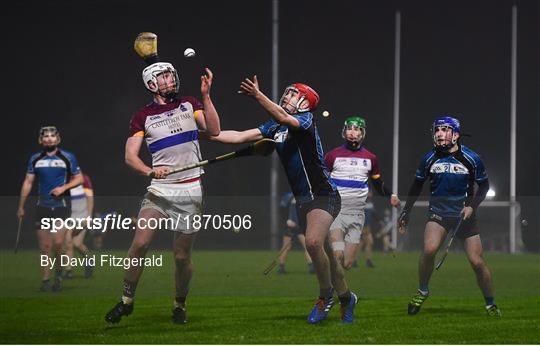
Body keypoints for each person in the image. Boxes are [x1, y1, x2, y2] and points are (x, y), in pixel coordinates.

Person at [211, 76, 357, 324]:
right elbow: (238, 136)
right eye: (287, 93)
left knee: (312, 243)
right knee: (331, 259)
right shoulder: (275, 127)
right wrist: (203, 136)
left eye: (292, 94)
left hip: (324, 195)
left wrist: (258, 95)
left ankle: (325, 297)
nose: (286, 96)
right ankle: (347, 297)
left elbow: (284, 118)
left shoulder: (305, 120)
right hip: (303, 201)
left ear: (303, 102)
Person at [104, 61, 220, 324]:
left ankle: (179, 305)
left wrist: (206, 96)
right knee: (140, 243)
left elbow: (213, 130)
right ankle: (126, 301)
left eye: (171, 76)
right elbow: (130, 157)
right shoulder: (142, 116)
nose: (170, 80)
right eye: (163, 77)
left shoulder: (190, 103)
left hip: (190, 189)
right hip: (160, 189)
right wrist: (149, 171)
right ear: (151, 84)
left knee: (181, 257)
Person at [398, 116, 501, 317]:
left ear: (456, 135)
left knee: (477, 263)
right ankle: (422, 290)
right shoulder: (429, 158)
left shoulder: (471, 158)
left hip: (465, 216)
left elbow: (485, 186)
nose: (439, 134)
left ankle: (490, 304)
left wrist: (472, 207)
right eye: (437, 130)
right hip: (438, 213)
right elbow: (416, 185)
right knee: (429, 250)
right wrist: (406, 211)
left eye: (444, 130)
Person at [324, 117, 400, 271]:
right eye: (349, 128)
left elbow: (378, 185)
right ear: (344, 132)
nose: (353, 132)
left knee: (347, 263)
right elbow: (322, 181)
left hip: (357, 215)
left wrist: (391, 195)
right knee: (338, 254)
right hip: (336, 214)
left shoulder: (371, 158)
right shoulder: (332, 156)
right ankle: (330, 293)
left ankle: (336, 288)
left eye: (357, 129)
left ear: (362, 133)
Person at [17, 126, 84, 292]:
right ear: (41, 140)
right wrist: (21, 206)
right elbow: (28, 182)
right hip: (43, 208)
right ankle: (45, 281)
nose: (49, 139)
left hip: (60, 208)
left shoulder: (68, 157)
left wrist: (64, 188)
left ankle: (59, 274)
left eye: (52, 136)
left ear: (57, 139)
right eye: (45, 136)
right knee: (45, 247)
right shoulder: (35, 158)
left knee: (59, 244)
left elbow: (79, 179)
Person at [64, 173, 94, 279]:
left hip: (83, 216)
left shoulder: (84, 178)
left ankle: (89, 259)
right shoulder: (66, 180)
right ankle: (69, 271)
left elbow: (90, 198)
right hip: (71, 216)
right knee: (68, 241)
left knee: (77, 244)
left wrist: (89, 217)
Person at [276, 192, 314, 274]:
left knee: (307, 246)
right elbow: (281, 210)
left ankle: (311, 267)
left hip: (300, 226)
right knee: (287, 247)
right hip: (290, 226)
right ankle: (281, 267)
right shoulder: (288, 196)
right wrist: (287, 221)